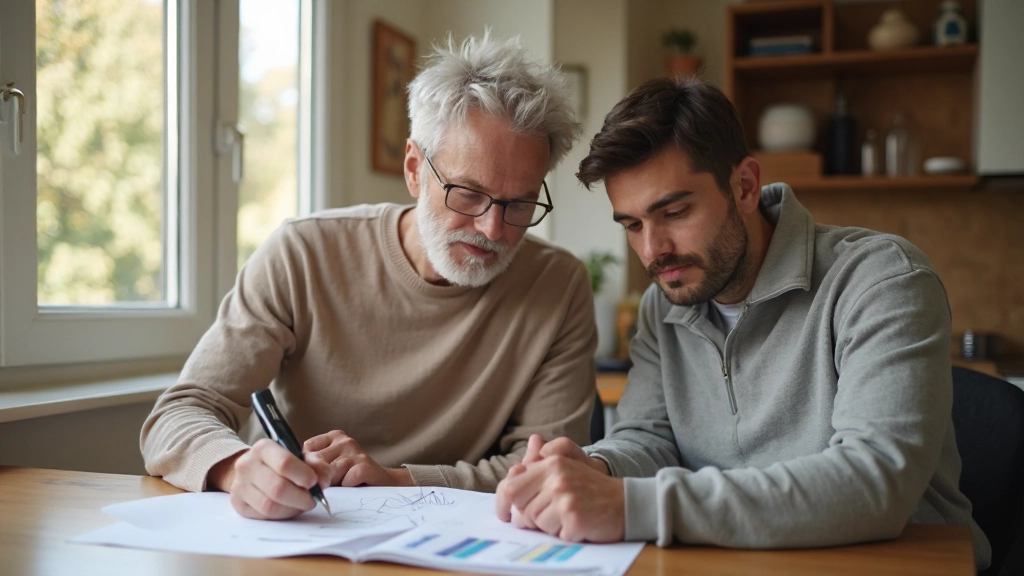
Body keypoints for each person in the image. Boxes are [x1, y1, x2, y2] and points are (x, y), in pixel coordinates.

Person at [494, 77, 991, 570]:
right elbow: (649, 440)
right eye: (633, 225)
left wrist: (630, 506)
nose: (652, 250)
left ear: (746, 186)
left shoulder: (881, 280)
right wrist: (599, 468)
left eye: (675, 212)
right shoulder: (661, 308)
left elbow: (875, 482)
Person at [141, 31, 597, 521]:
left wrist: (398, 480)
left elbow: (548, 471)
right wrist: (236, 468)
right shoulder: (303, 254)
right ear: (414, 169)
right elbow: (178, 413)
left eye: (520, 204)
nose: (492, 229)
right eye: (468, 193)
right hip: (302, 527)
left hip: (457, 539)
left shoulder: (559, 286)